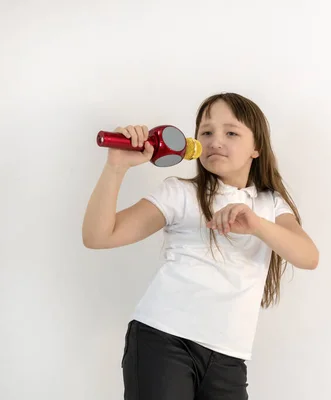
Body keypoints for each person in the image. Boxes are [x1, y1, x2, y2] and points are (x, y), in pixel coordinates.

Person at [82, 92, 319, 400]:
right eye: (206, 132)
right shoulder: (179, 193)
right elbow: (98, 236)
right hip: (163, 341)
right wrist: (116, 167)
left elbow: (308, 256)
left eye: (230, 132)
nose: (215, 141)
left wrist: (257, 225)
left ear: (256, 148)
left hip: (229, 358)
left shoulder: (270, 205)